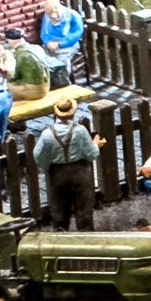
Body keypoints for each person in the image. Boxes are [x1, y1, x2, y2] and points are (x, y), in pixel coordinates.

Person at [33, 99, 104, 231]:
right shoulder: (80, 131)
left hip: (58, 174)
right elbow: (91, 154)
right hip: (80, 173)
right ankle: (86, 237)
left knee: (59, 211)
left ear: (56, 113)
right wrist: (96, 144)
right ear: (73, 113)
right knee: (84, 211)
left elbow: (38, 155)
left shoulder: (47, 134)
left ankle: (61, 237)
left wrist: (48, 166)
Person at [33, 0, 86, 88]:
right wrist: (47, 42)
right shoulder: (47, 17)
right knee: (42, 58)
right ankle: (48, 82)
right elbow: (44, 32)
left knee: (62, 61)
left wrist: (61, 44)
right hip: (50, 44)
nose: (54, 17)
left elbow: (76, 33)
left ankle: (63, 83)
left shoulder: (72, 15)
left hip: (68, 44)